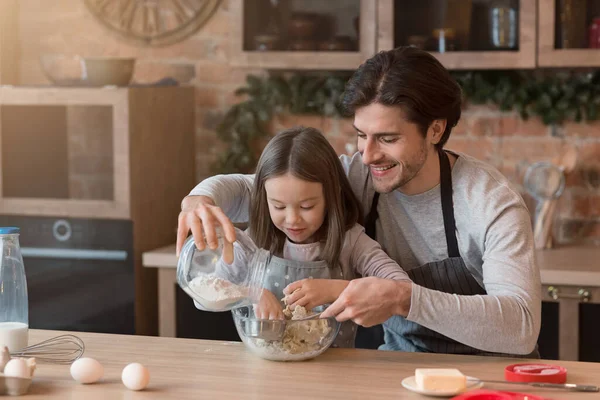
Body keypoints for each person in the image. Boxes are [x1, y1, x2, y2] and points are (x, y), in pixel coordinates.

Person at [177, 46, 541, 356]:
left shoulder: (490, 203)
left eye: (387, 138)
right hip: (401, 369)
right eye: (361, 135)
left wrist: (403, 298)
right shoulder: (359, 176)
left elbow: (521, 326)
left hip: (492, 375)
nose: (367, 156)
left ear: (435, 129)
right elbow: (253, 190)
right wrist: (200, 198)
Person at [198, 126, 410, 348]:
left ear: (331, 196)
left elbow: (402, 289)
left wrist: (335, 290)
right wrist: (251, 293)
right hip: (266, 369)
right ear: (264, 198)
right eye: (278, 206)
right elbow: (203, 298)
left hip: (338, 372)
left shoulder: (351, 242)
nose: (292, 220)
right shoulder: (254, 241)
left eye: (307, 206)